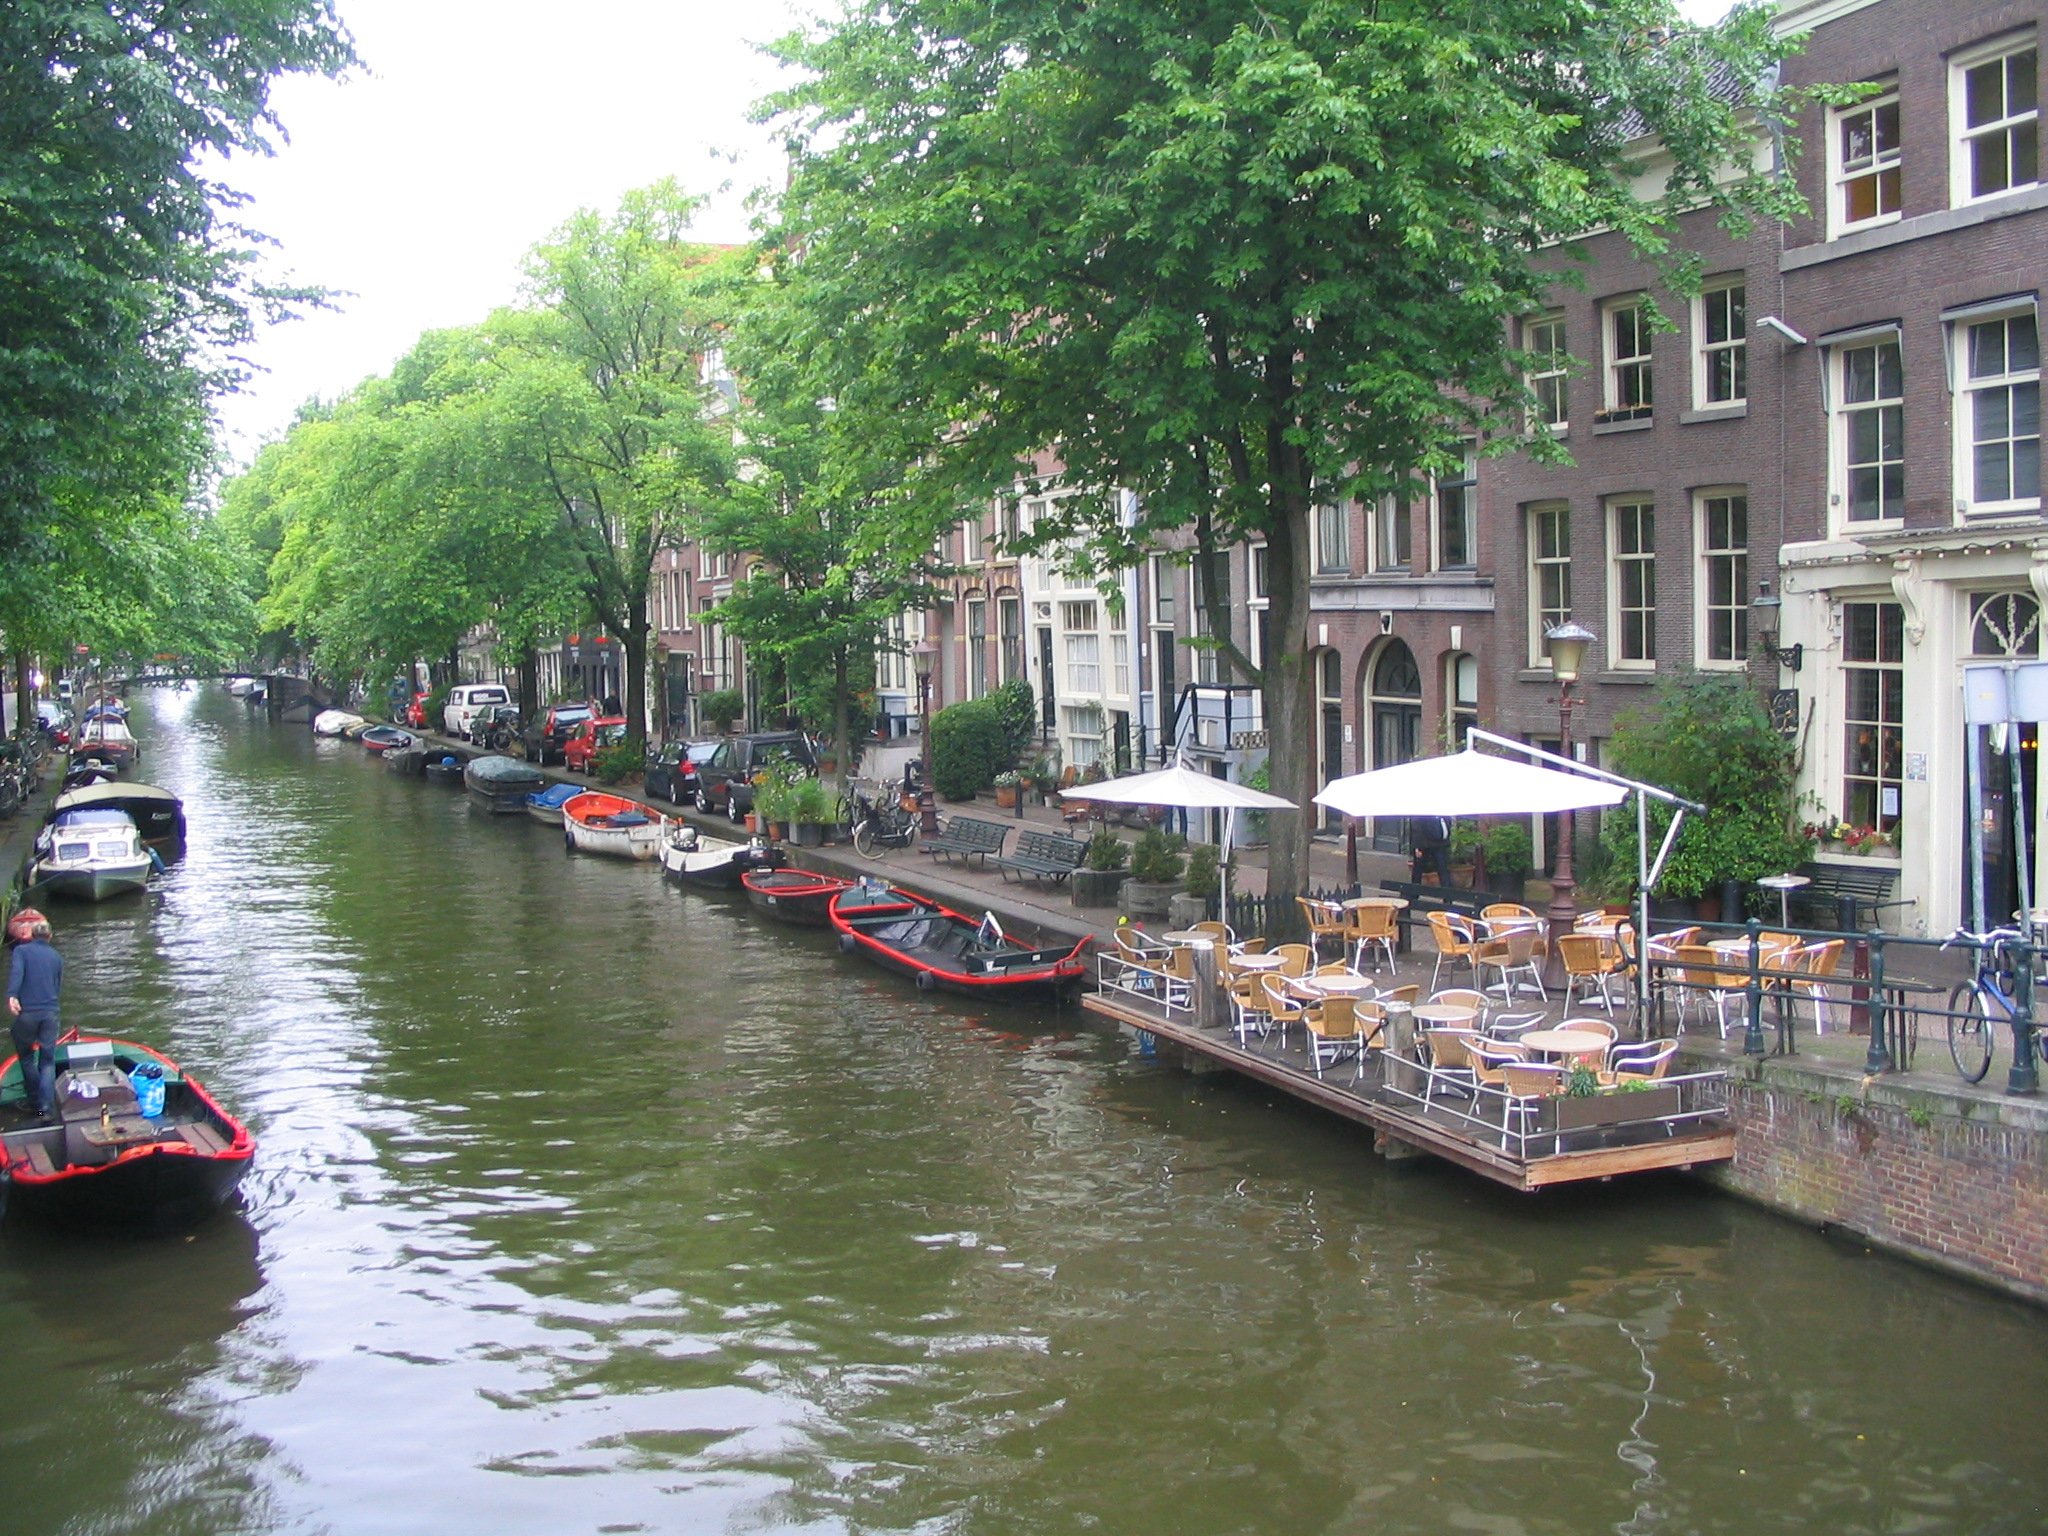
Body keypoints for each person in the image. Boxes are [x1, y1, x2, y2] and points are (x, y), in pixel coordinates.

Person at [8, 911, 64, 1120]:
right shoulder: (57, 957)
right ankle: (45, 1109)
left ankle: (35, 1103)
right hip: (50, 1013)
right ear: (49, 936)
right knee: (47, 1061)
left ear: (32, 934)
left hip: (28, 1014)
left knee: (26, 1057)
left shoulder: (21, 951)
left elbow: (17, 973)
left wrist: (12, 995)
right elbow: (57, 988)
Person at [1410, 815, 1452, 888]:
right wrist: (1417, 847)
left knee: (1443, 870)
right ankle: (1413, 894)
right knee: (1418, 870)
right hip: (1424, 844)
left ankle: (1448, 896)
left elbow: (1447, 823)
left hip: (1440, 844)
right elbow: (1416, 828)